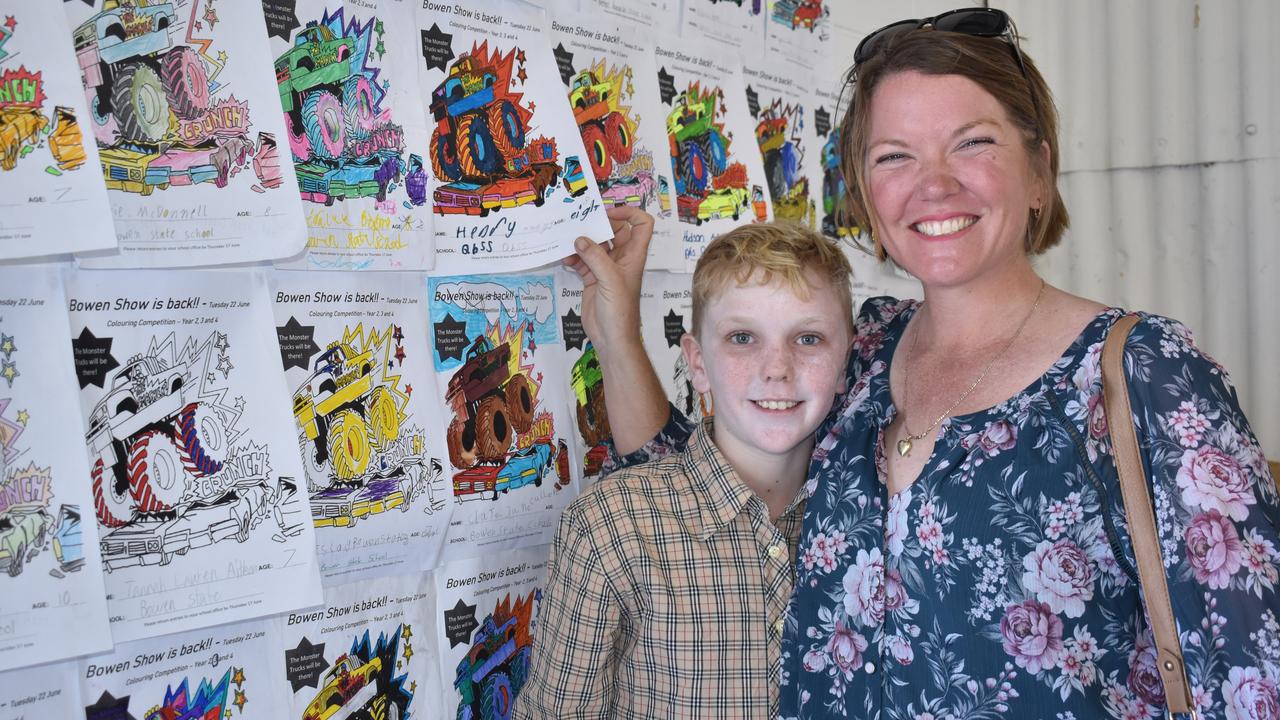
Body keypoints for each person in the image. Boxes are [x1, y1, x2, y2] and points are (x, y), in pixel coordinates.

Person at [566, 9, 1279, 719]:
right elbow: (695, 482)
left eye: (972, 144)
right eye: (894, 156)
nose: (933, 184)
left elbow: (1254, 674)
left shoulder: (1139, 372)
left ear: (1039, 171)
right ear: (868, 197)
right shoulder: (862, 353)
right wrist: (616, 327)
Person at [514, 222, 857, 719]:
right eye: (743, 337)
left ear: (846, 359)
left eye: (808, 338)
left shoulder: (867, 521)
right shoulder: (611, 529)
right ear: (697, 362)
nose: (777, 367)